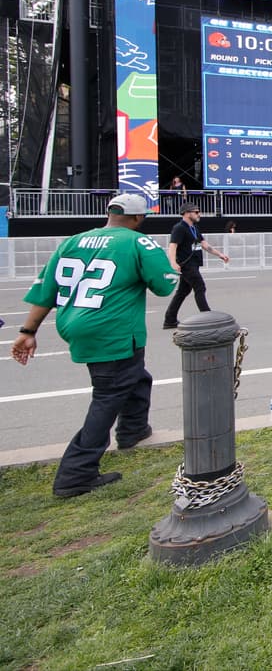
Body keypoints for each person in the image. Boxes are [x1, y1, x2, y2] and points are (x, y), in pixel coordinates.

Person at [11, 193, 178, 497]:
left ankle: (133, 429)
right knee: (109, 394)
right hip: (111, 329)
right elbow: (164, 284)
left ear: (109, 213)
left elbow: (45, 289)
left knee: (136, 376)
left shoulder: (73, 241)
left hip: (76, 324)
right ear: (139, 218)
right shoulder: (137, 242)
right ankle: (76, 473)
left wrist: (28, 330)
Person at [162, 202, 229, 330]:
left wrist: (220, 254)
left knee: (183, 291)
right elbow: (173, 246)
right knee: (200, 287)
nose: (199, 214)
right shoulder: (179, 228)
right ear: (187, 213)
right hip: (187, 265)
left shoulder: (194, 228)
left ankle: (170, 320)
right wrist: (173, 263)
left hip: (194, 263)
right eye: (196, 212)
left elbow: (204, 244)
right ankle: (208, 317)